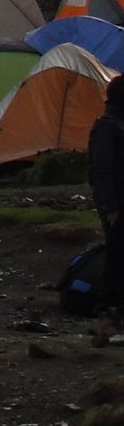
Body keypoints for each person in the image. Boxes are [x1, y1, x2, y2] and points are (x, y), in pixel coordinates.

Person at [87, 77, 124, 323]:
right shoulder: (107, 127)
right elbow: (101, 171)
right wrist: (110, 208)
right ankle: (110, 305)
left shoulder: (116, 124)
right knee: (117, 255)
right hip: (117, 205)